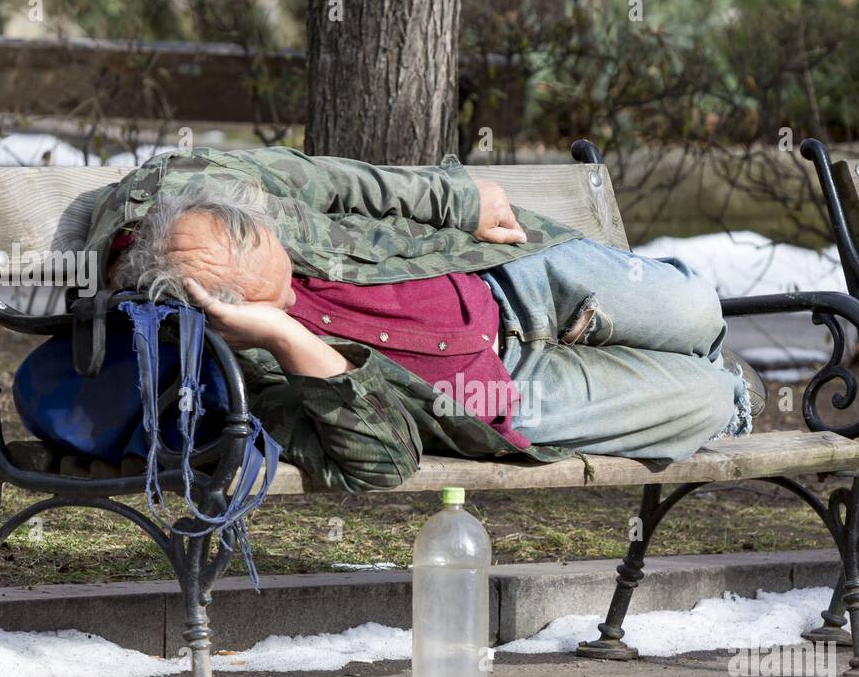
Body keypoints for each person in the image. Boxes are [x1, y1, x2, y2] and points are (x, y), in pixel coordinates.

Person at [86, 146, 755, 491]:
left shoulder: (203, 179)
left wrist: (457, 197)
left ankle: (702, 348)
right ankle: (722, 384)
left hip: (502, 277)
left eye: (289, 272)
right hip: (497, 393)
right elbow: (379, 463)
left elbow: (339, 183)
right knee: (706, 403)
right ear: (223, 319)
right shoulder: (210, 369)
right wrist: (291, 339)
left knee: (697, 308)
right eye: (276, 304)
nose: (298, 297)